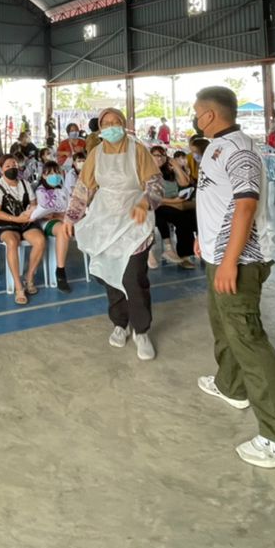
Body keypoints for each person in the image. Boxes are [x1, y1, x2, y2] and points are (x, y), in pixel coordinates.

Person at [192, 85, 275, 469]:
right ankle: (231, 386)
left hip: (239, 262)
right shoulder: (215, 147)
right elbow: (216, 202)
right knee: (223, 328)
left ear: (209, 115)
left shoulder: (239, 149)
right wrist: (205, 243)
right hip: (217, 255)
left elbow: (245, 206)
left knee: (248, 341)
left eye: (197, 112)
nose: (195, 118)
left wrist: (229, 261)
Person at [57, 108, 162, 362]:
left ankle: (141, 330)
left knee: (133, 277)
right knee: (109, 273)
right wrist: (70, 217)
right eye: (107, 123)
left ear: (124, 125)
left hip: (135, 223)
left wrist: (145, 202)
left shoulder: (138, 151)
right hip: (105, 223)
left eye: (117, 122)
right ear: (100, 128)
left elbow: (156, 185)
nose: (112, 126)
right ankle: (120, 322)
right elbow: (84, 188)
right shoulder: (96, 154)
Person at [0, 154, 46, 305]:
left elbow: (33, 203)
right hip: (5, 223)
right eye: (7, 166)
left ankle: (29, 277)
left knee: (40, 240)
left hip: (25, 222)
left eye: (14, 165)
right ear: (1, 170)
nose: (12, 168)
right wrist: (16, 219)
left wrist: (31, 212)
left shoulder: (25, 184)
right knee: (12, 242)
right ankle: (18, 286)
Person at [33, 160, 73, 292]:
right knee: (62, 230)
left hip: (64, 220)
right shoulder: (40, 191)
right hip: (46, 222)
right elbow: (44, 212)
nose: (54, 176)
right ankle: (60, 271)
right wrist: (59, 216)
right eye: (50, 173)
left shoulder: (63, 189)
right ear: (43, 175)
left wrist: (63, 215)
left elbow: (69, 208)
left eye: (57, 172)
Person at [154, 146, 197, 267]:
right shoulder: (149, 172)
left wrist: (176, 166)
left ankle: (190, 252)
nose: (159, 158)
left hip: (175, 203)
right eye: (155, 155)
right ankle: (182, 256)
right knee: (181, 217)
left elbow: (184, 183)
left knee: (192, 216)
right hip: (158, 205)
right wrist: (175, 202)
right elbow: (154, 198)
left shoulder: (168, 171)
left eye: (161, 155)